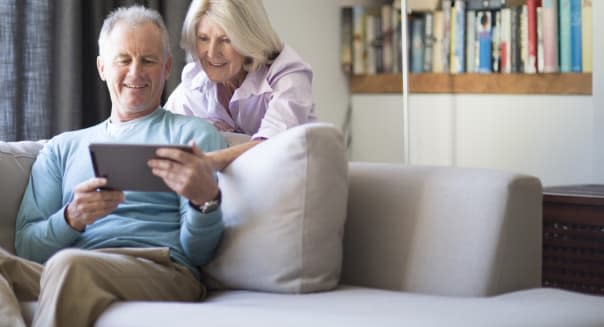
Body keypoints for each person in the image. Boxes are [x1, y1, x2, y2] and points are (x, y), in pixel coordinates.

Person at [1, 6, 227, 327]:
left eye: (148, 60)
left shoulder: (192, 135)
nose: (136, 72)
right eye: (124, 59)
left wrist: (205, 202)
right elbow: (26, 246)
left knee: (70, 265)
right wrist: (71, 218)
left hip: (161, 268)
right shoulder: (62, 148)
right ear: (102, 67)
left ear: (166, 68)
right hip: (75, 266)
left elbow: (199, 254)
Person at [164, 0, 317, 171]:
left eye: (226, 39)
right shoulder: (195, 82)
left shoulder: (288, 74)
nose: (212, 53)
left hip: (288, 179)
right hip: (228, 188)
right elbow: (161, 134)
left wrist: (207, 161)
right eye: (204, 39)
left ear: (249, 39)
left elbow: (274, 146)